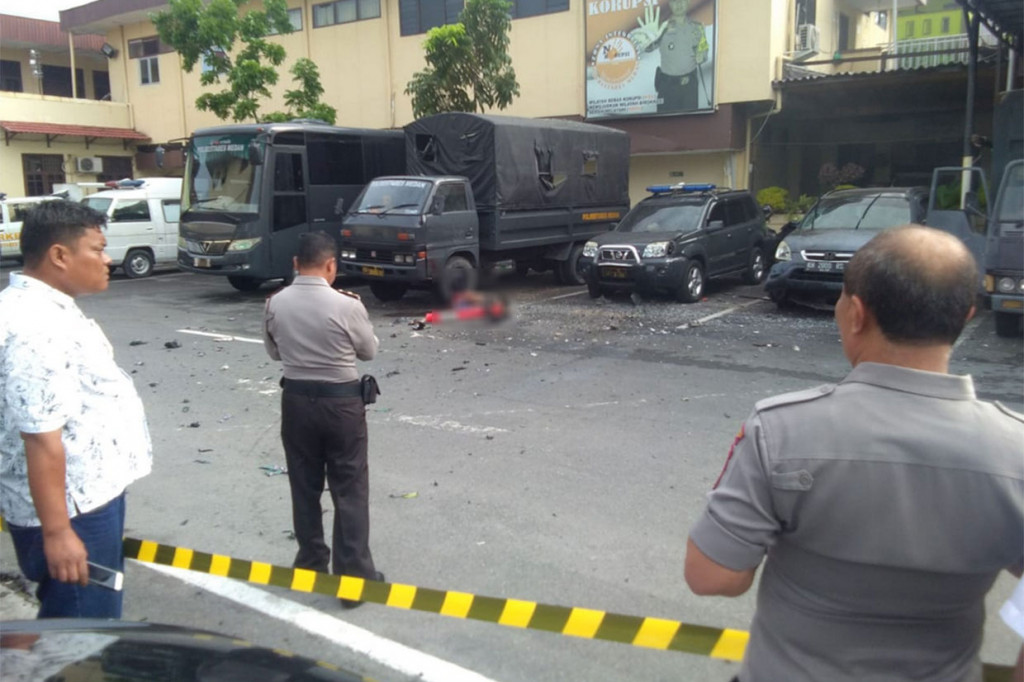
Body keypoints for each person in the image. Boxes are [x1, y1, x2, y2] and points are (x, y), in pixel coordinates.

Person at [684, 225, 1024, 682]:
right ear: (965, 316)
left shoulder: (781, 430)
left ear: (856, 313)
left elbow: (712, 577)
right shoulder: (1015, 450)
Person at [0, 200, 152, 618]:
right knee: (83, 635)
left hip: (87, 498)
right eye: (98, 249)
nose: (108, 260)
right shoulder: (37, 327)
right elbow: (40, 436)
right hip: (76, 511)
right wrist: (59, 532)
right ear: (60, 256)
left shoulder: (46, 309)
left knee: (82, 623)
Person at [262, 231, 382, 607]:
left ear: (295, 264)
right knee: (349, 489)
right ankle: (354, 582)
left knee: (304, 486)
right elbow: (369, 352)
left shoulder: (275, 303)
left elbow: (272, 352)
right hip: (342, 406)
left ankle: (310, 567)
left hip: (296, 401)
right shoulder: (347, 305)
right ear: (331, 265)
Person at [633, 0, 709, 112]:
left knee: (689, 125)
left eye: (682, 1)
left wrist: (701, 56)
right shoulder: (662, 27)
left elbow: (704, 49)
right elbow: (648, 48)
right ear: (669, 4)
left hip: (689, 87)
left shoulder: (697, 27)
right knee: (665, 126)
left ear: (687, 2)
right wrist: (648, 37)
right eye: (674, 1)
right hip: (668, 87)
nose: (679, 5)